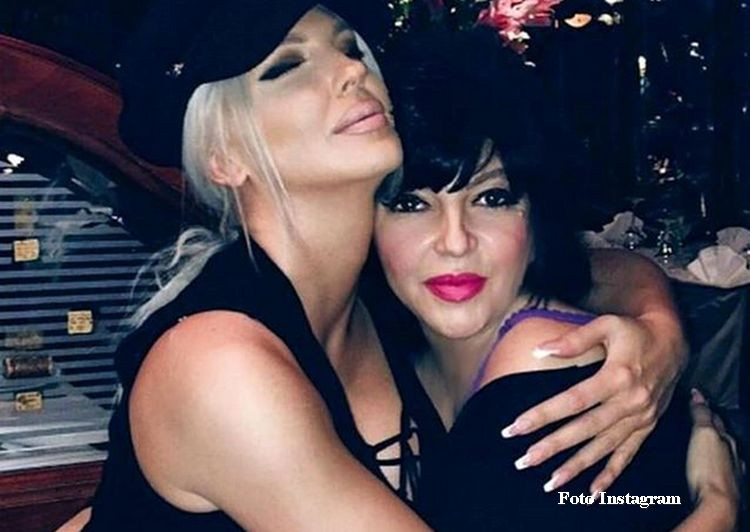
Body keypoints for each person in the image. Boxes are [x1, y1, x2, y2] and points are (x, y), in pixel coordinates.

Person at [76, 1, 724, 530]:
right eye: (287, 65)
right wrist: (716, 512)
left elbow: (587, 264)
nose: (349, 71)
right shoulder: (220, 365)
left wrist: (658, 328)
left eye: (350, 48)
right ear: (224, 157)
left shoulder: (370, 295)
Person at [372, 27, 739, 530]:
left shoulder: (553, 381)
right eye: (411, 204)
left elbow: (628, 504)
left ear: (536, 219)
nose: (455, 242)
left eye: (493, 199)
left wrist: (718, 509)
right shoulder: (388, 342)